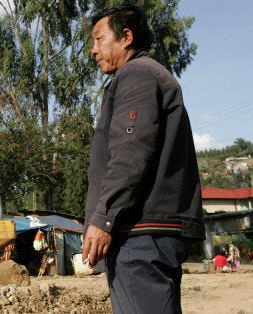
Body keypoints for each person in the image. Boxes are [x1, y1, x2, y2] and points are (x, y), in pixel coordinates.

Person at [81, 4, 205, 313]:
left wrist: (104, 217)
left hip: (140, 234)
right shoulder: (150, 75)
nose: (93, 50)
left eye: (99, 39)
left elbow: (130, 151)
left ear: (126, 37)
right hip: (149, 232)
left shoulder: (137, 74)